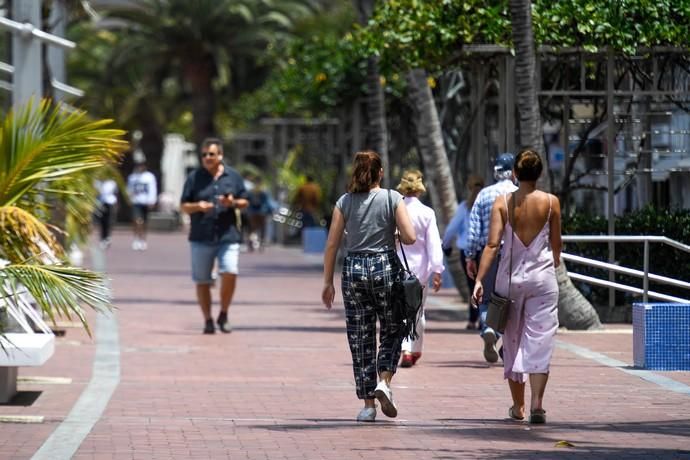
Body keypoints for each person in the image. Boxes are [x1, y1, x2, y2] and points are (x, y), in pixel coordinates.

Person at [322, 150, 416, 423]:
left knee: (360, 337)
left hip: (353, 271)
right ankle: (384, 381)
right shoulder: (391, 198)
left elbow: (332, 244)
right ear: (380, 173)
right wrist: (394, 232)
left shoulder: (345, 202)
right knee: (393, 327)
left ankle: (368, 406)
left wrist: (327, 282)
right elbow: (410, 237)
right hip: (385, 267)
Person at [471, 149, 561, 424]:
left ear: (515, 174)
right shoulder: (551, 202)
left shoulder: (503, 202)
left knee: (512, 342)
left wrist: (478, 279)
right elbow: (556, 245)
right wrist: (552, 261)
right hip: (542, 281)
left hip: (509, 281)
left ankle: (518, 405)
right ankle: (537, 404)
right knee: (539, 341)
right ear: (540, 173)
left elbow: (491, 245)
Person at [180, 138, 249, 334]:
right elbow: (183, 205)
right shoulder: (194, 178)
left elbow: (245, 201)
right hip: (201, 235)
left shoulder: (233, 176)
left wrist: (232, 202)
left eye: (211, 154)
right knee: (202, 280)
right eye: (204, 155)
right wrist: (198, 206)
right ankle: (208, 319)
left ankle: (224, 313)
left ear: (220, 155)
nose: (207, 158)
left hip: (228, 235)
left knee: (230, 271)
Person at [465, 153, 517, 363]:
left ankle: (489, 328)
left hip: (487, 253)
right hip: (515, 254)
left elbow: (474, 229)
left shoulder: (484, 195)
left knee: (486, 298)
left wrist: (470, 256)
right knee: (512, 300)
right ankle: (506, 341)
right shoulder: (519, 194)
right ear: (513, 172)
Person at [395, 170, 444, 368]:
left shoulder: (395, 210)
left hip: (397, 266)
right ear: (420, 188)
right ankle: (413, 349)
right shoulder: (427, 213)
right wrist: (437, 270)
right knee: (418, 311)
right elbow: (433, 244)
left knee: (400, 311)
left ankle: (405, 348)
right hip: (420, 271)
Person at [441, 175, 485, 329]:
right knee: (485, 285)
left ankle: (473, 319)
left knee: (472, 285)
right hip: (485, 250)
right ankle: (483, 318)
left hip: (466, 251)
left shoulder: (464, 207)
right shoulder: (486, 204)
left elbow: (452, 228)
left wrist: (446, 245)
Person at [126, 152, 158, 251]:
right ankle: (136, 239)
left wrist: (152, 200)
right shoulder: (132, 177)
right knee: (137, 221)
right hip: (136, 202)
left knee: (144, 222)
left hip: (146, 202)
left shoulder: (149, 177)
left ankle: (143, 239)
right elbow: (129, 189)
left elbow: (153, 189)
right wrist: (129, 198)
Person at [246, 176, 273, 251]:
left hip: (252, 212)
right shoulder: (264, 190)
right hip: (262, 212)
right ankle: (261, 244)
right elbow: (268, 202)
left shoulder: (250, 191)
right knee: (262, 229)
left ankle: (251, 243)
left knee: (252, 229)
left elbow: (247, 201)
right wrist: (271, 211)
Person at [94, 177, 118, 249]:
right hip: (100, 203)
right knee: (101, 222)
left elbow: (116, 193)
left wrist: (116, 204)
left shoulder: (112, 182)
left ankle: (107, 237)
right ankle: (102, 238)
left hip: (110, 203)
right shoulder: (97, 182)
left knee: (108, 222)